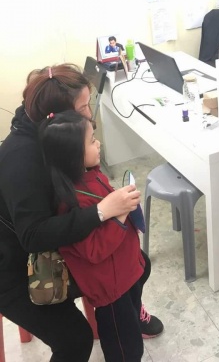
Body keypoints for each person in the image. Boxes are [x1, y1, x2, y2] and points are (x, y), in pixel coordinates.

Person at [0, 64, 163, 362]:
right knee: (75, 341)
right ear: (59, 117)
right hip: (15, 268)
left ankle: (128, 315)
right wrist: (102, 212)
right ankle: (122, 318)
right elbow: (33, 235)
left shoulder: (58, 139)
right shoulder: (21, 159)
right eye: (82, 108)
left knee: (140, 264)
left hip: (57, 245)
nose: (90, 115)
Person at [39, 110, 159, 362]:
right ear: (73, 155)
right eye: (92, 140)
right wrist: (121, 214)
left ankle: (136, 317)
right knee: (126, 350)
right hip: (111, 289)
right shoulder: (70, 202)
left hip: (125, 272)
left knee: (136, 296)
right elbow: (94, 250)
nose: (99, 143)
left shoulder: (91, 173)